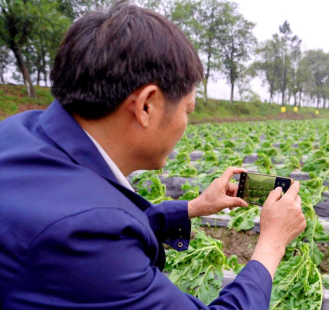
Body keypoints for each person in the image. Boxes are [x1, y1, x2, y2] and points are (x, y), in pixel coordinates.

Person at [0, 2, 306, 309]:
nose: (187, 123)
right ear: (147, 106)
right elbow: (92, 227)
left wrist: (194, 207)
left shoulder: (19, 131)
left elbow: (84, 214)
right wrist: (272, 243)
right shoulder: (86, 237)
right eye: (188, 110)